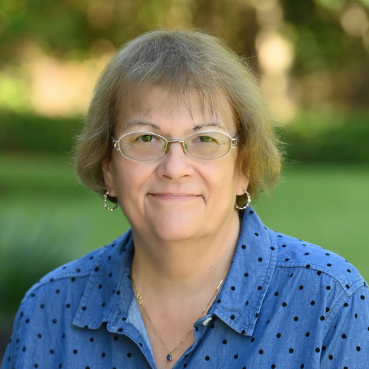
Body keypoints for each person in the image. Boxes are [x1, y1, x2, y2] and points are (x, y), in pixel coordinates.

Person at [2, 29, 369, 369]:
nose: (175, 168)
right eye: (145, 139)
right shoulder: (49, 308)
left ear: (243, 167)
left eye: (205, 139)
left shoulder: (331, 302)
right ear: (109, 169)